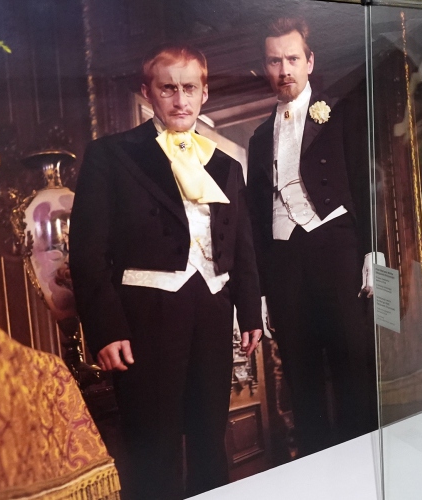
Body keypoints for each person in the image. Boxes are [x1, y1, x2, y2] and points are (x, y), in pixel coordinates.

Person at [69, 44, 262, 499]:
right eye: (168, 88)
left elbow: (242, 244)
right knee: (152, 449)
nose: (180, 99)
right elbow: (87, 252)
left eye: (189, 88)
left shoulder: (226, 165)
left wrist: (250, 312)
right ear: (148, 92)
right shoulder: (112, 155)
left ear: (204, 93)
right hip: (146, 314)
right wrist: (106, 329)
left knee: (210, 442)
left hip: (212, 309)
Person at [247, 17, 380, 458]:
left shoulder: (339, 113)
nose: (284, 69)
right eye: (274, 61)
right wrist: (261, 290)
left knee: (351, 362)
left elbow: (366, 182)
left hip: (337, 247)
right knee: (300, 374)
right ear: (265, 67)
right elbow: (255, 217)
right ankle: (317, 468)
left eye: (292, 58)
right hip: (284, 260)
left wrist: (372, 248)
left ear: (309, 62)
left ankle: (360, 463)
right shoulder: (258, 138)